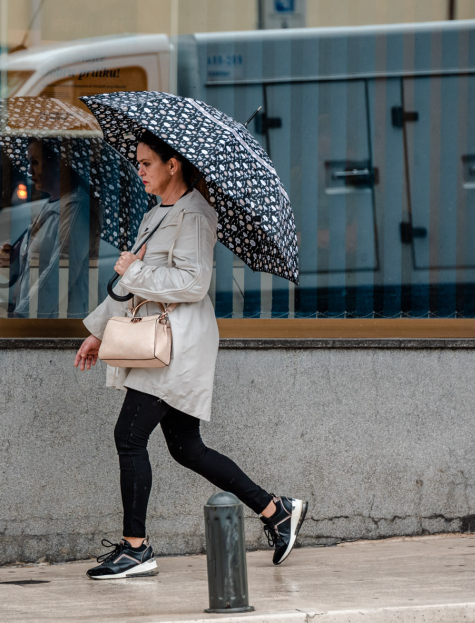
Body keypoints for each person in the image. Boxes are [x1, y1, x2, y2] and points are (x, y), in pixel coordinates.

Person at [74, 129, 308, 580]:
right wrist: (100, 331)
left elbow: (192, 284)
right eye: (138, 163)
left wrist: (136, 269)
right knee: (187, 448)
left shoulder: (195, 215)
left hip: (176, 345)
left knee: (129, 436)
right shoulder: (156, 215)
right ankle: (276, 510)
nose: (139, 170)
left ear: (173, 164)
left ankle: (136, 549)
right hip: (157, 341)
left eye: (146, 163)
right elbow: (132, 285)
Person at [0, 141, 100, 318]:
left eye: (35, 162)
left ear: (59, 163)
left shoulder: (76, 210)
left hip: (59, 326)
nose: (29, 171)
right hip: (39, 324)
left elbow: (60, 272)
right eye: (29, 162)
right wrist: (11, 261)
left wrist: (21, 317)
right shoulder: (52, 205)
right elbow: (36, 266)